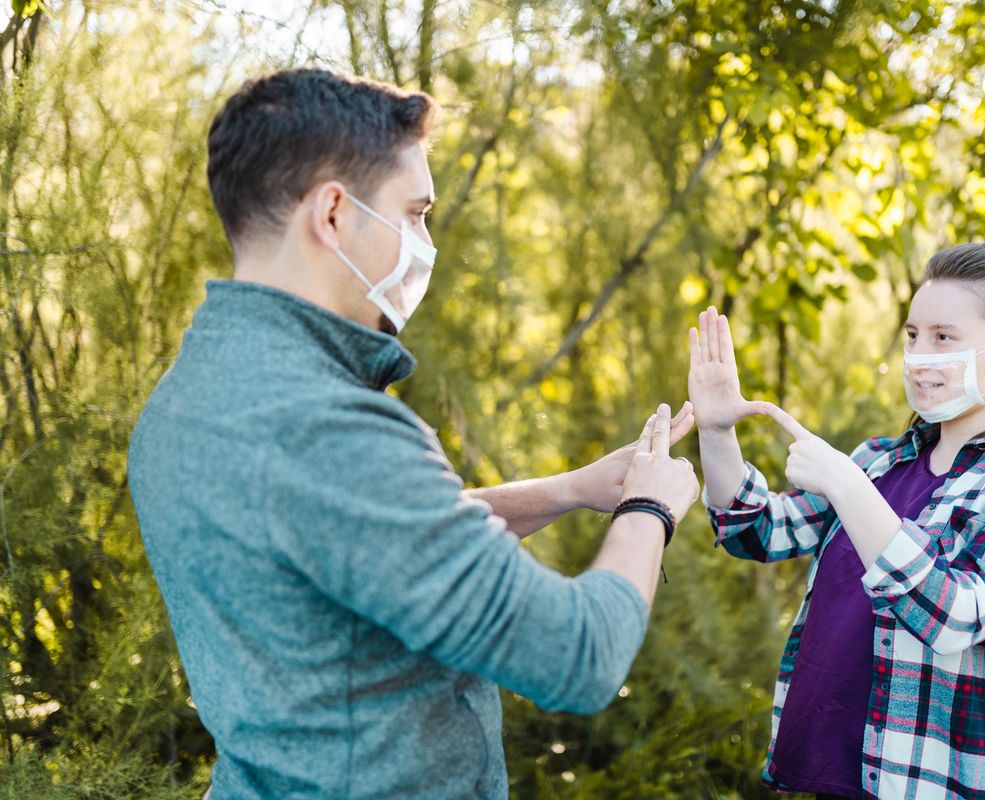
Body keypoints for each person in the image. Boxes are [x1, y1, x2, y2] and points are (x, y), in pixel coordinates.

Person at [127, 68, 699, 800]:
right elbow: (578, 655)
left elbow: (360, 540)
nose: (425, 241)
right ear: (333, 213)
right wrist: (647, 511)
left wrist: (568, 490)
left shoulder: (191, 394)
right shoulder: (326, 428)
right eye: (415, 213)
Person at [689, 241, 985, 799]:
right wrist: (715, 431)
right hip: (825, 769)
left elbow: (957, 615)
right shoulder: (879, 460)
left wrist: (847, 486)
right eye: (912, 335)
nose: (919, 356)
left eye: (944, 337)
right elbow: (756, 530)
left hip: (943, 782)